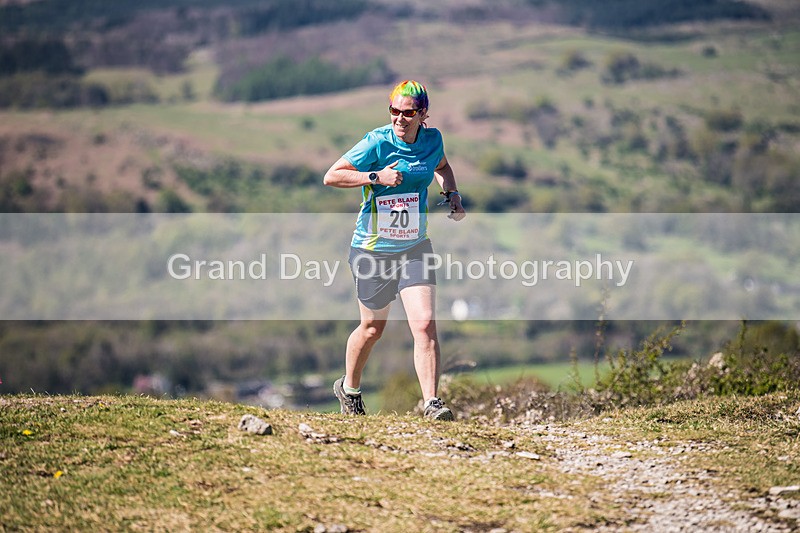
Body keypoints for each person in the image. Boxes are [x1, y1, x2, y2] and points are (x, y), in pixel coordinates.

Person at [323, 80, 465, 420]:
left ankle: (432, 403)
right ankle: (349, 388)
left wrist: (452, 194)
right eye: (394, 111)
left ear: (423, 114)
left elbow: (442, 167)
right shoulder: (377, 142)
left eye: (408, 113)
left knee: (425, 324)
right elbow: (332, 176)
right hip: (373, 250)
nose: (400, 118)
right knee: (373, 328)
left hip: (415, 246)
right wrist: (376, 176)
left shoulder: (433, 140)